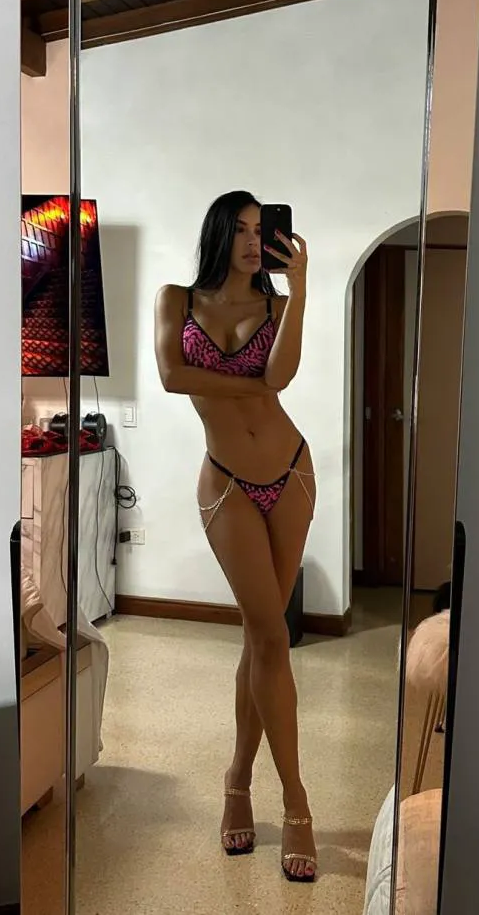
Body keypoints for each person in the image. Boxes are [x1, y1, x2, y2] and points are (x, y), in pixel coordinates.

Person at [154, 191, 317, 882]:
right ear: (220, 233)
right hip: (225, 483)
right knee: (270, 636)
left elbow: (281, 375)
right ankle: (297, 801)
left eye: (262, 230)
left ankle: (239, 781)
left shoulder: (277, 307)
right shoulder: (176, 299)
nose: (255, 242)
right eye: (243, 230)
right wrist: (250, 386)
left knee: (263, 636)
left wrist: (299, 291)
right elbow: (171, 376)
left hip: (291, 472)